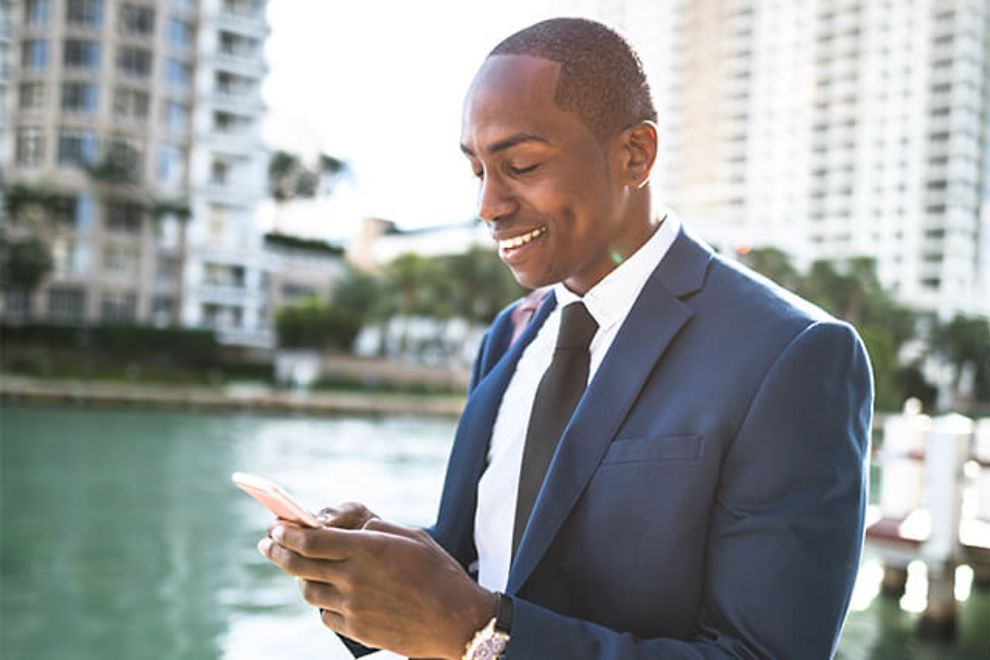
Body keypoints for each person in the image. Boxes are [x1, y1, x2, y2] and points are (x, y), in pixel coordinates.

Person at [258, 17, 873, 659]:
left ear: (636, 154)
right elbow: (493, 565)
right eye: (477, 171)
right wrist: (375, 567)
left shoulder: (794, 354)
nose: (488, 205)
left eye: (520, 165)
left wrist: (481, 638)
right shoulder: (512, 334)